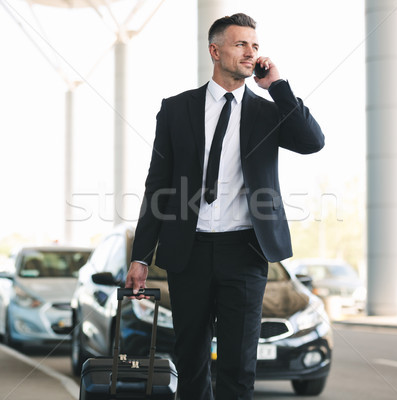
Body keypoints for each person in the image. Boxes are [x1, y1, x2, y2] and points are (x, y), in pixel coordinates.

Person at [125, 13, 324, 400]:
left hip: (246, 252)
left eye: (255, 46)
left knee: (238, 367)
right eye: (240, 44)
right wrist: (141, 257)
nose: (251, 53)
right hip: (189, 251)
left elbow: (312, 141)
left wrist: (278, 86)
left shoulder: (269, 111)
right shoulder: (176, 109)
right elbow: (158, 187)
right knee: (192, 362)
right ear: (215, 51)